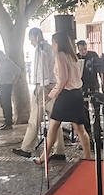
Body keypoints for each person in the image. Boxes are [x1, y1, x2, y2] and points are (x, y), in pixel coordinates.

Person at [33, 33, 91, 165]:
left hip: (66, 95)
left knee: (53, 126)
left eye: (53, 42)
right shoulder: (72, 56)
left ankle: (43, 157)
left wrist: (50, 95)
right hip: (76, 93)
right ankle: (87, 156)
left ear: (57, 43)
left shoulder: (60, 55)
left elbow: (63, 80)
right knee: (79, 128)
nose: (52, 45)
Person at [12, 28, 65, 160]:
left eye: (30, 38)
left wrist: (42, 87)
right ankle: (59, 151)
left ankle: (26, 148)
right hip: (51, 85)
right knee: (55, 120)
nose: (30, 41)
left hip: (43, 85)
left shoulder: (40, 49)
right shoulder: (50, 48)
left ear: (35, 36)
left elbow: (42, 69)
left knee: (34, 119)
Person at [0, 50, 19, 130]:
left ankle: (9, 123)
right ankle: (6, 121)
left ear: (0, 56)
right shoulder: (1, 64)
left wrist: (14, 81)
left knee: (6, 104)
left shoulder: (8, 62)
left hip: (7, 85)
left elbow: (18, 70)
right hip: (2, 85)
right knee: (3, 104)